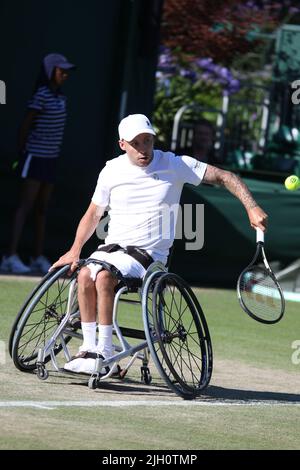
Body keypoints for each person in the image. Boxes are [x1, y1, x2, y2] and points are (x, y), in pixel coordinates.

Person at [50, 113, 268, 375]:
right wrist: (74, 250)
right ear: (123, 145)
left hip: (148, 257)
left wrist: (252, 207)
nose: (144, 149)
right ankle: (88, 348)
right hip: (110, 250)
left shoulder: (174, 164)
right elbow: (93, 214)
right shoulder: (111, 170)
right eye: (136, 143)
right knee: (84, 275)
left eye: (148, 141)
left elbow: (225, 176)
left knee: (104, 277)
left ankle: (104, 351)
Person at [0, 53, 76, 274]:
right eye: (61, 70)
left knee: (42, 209)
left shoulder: (62, 98)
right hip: (34, 157)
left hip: (51, 160)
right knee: (26, 206)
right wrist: (23, 154)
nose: (65, 74)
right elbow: (25, 126)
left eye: (67, 71)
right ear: (50, 71)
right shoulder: (40, 95)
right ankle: (10, 256)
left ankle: (36, 257)